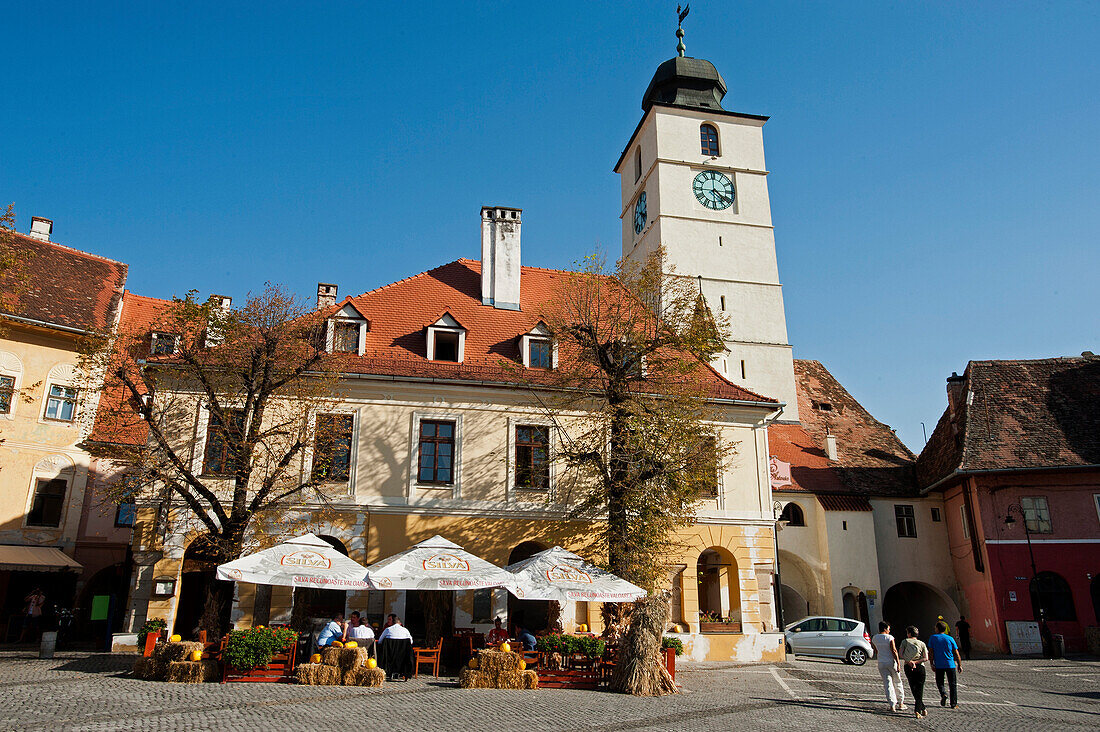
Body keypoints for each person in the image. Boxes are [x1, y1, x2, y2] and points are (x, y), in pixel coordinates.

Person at [871, 621, 906, 712]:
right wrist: (898, 663)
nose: (889, 631)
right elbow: (894, 650)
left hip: (881, 662)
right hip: (891, 661)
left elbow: (876, 650)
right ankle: (901, 703)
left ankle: (892, 705)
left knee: (887, 683)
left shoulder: (874, 638)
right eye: (889, 629)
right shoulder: (889, 637)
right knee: (897, 681)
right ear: (885, 629)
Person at [929, 620, 962, 708]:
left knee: (940, 682)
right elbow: (956, 653)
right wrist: (959, 665)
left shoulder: (933, 638)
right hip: (950, 664)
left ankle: (943, 693)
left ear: (937, 629)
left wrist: (931, 663)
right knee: (953, 684)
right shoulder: (950, 638)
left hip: (939, 664)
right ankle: (953, 703)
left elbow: (931, 652)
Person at [899, 625, 929, 719]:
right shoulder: (922, 643)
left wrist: (909, 662)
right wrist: (916, 662)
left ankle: (917, 710)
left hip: (908, 667)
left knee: (913, 688)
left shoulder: (904, 641)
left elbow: (901, 654)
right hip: (920, 667)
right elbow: (926, 658)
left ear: (909, 634)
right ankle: (921, 708)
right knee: (920, 689)